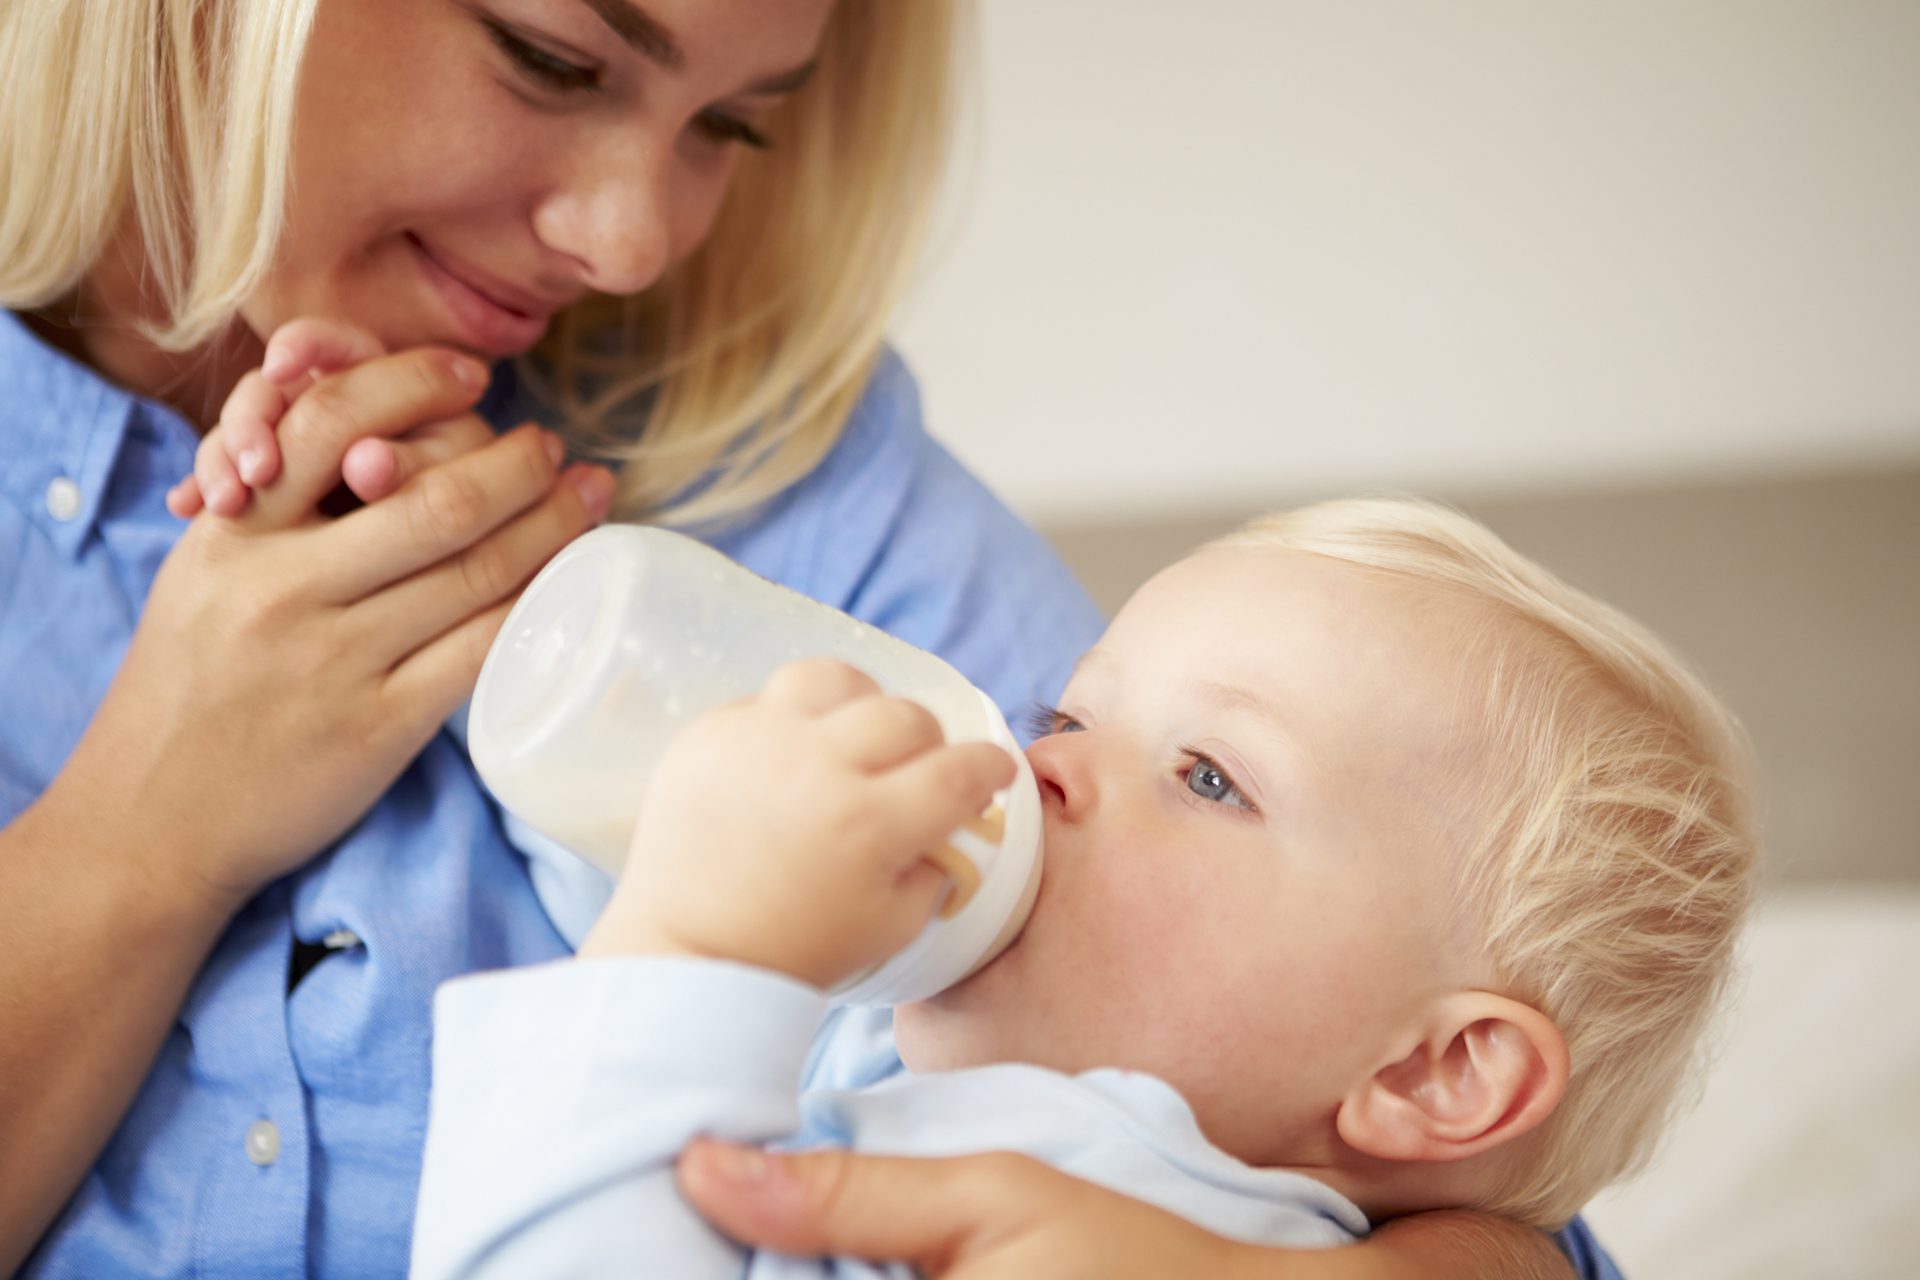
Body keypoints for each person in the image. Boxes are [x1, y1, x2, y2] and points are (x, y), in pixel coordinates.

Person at [0, 1, 1613, 1276]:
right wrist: (140, 834)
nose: (632, 241)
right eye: (551, 53)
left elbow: (1421, 1123)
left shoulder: (781, 473)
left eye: (727, 125)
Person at [401, 498, 1755, 1277]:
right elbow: (607, 851)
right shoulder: (944, 1044)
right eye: (1068, 714)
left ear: (1435, 1073)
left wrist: (697, 946)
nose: (1045, 769)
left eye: (1209, 777)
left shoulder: (1142, 1214)